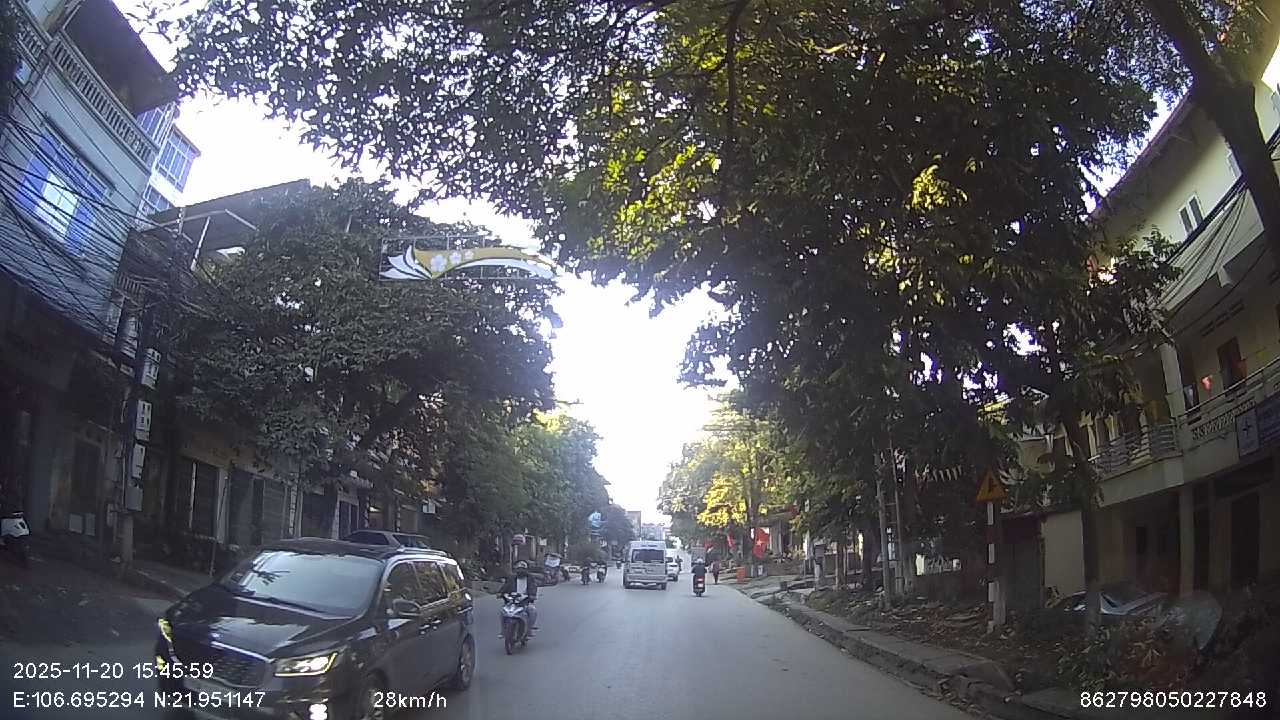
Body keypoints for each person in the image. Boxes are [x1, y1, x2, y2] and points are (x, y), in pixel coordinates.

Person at [498, 561, 539, 639]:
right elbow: (505, 587)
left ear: (526, 570)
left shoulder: (530, 578)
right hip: (511, 601)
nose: (521, 571)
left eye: (523, 569)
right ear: (516, 570)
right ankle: (503, 631)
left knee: (532, 611)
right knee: (502, 612)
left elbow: (533, 587)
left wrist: (532, 595)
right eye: (519, 569)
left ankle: (529, 630)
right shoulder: (511, 578)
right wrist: (500, 593)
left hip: (525, 601)